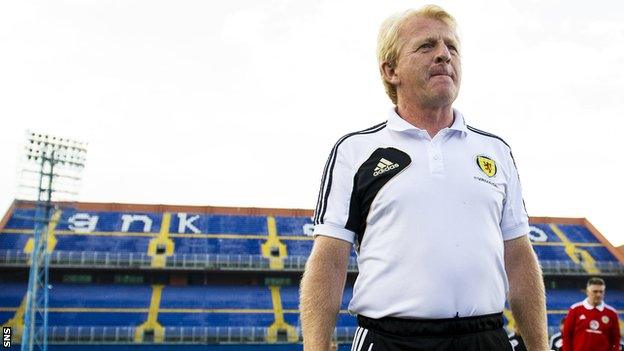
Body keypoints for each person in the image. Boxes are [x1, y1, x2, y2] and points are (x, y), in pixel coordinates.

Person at [299, 4, 548, 351]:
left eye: (452, 47)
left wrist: (539, 346)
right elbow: (329, 258)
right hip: (390, 340)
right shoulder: (356, 151)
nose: (444, 55)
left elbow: (519, 256)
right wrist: (315, 346)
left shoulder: (496, 151)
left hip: (486, 339)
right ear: (390, 70)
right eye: (427, 46)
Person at [563, 277, 621, 351]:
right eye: (595, 291)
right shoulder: (575, 309)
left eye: (601, 291)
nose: (598, 294)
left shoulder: (612, 313)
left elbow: (616, 339)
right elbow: (567, 335)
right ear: (587, 291)